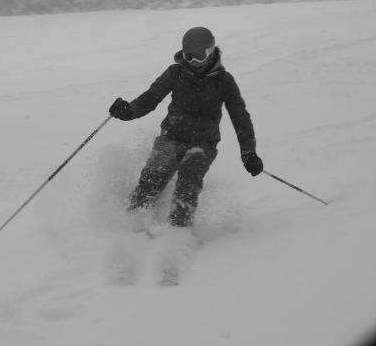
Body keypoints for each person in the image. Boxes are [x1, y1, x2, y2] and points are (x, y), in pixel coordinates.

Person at [108, 27, 263, 228]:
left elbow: (240, 118)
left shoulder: (224, 81)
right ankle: (131, 223)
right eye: (190, 56)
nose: (196, 61)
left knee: (188, 180)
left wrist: (248, 152)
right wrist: (128, 111)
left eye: (201, 55)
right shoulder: (176, 73)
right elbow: (150, 99)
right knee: (151, 178)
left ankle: (178, 231)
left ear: (211, 50)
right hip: (171, 137)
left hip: (203, 144)